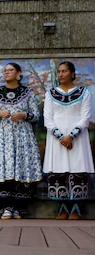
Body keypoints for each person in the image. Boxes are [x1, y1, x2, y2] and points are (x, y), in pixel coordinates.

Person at [0, 63, 43, 219]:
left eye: (10, 70)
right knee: (5, 167)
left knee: (20, 168)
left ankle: (18, 207)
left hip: (22, 136)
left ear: (18, 73)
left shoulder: (28, 92)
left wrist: (24, 115)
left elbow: (36, 115)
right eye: (5, 71)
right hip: (2, 136)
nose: (7, 73)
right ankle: (6, 207)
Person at [43, 61, 94, 219]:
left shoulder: (84, 92)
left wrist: (71, 136)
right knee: (58, 170)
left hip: (77, 138)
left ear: (72, 73)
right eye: (59, 71)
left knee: (77, 169)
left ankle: (76, 208)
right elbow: (47, 118)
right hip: (56, 138)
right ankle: (62, 207)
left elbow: (85, 117)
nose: (61, 74)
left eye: (64, 71)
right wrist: (60, 136)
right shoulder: (50, 93)